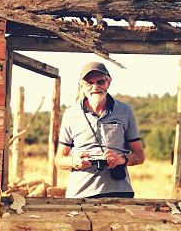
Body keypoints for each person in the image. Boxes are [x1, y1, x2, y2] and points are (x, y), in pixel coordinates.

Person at [55, 61, 145, 198]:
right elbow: (59, 160)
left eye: (100, 82)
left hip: (119, 192)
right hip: (80, 193)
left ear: (109, 82)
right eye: (89, 83)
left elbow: (139, 155)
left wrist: (121, 159)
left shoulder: (125, 111)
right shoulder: (71, 114)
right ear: (81, 86)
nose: (95, 87)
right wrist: (74, 162)